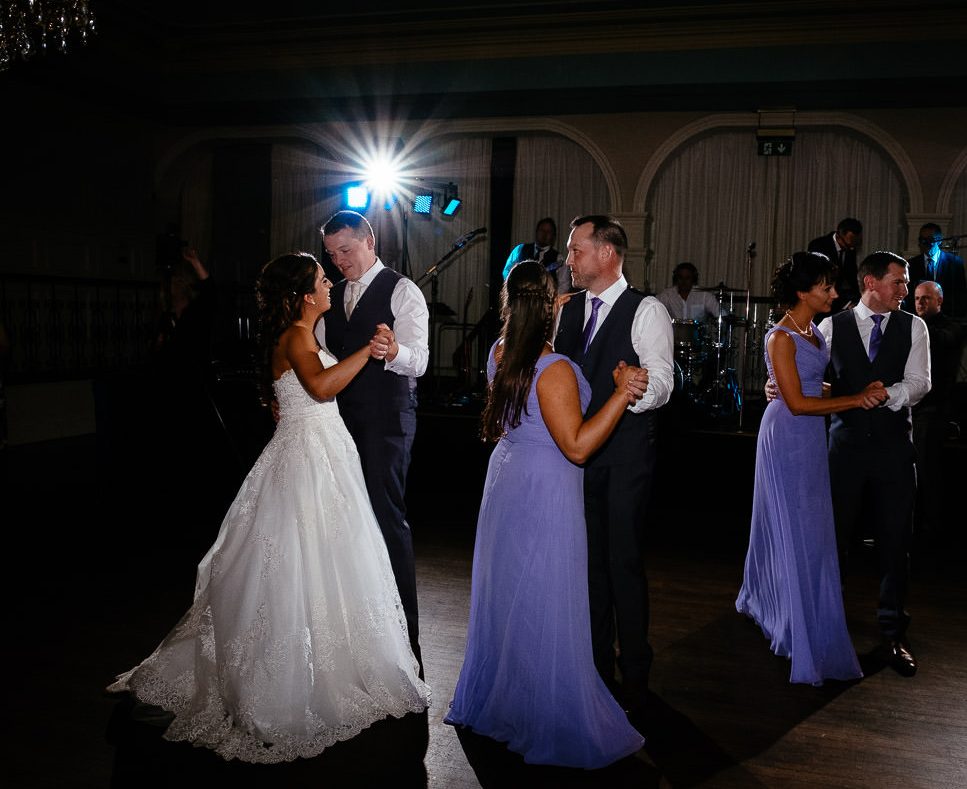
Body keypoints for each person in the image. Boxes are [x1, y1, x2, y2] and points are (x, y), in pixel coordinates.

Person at [108, 253, 431, 763]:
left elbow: (294, 394)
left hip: (323, 451)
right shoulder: (299, 337)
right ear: (305, 295)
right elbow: (321, 388)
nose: (330, 284)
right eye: (323, 280)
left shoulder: (305, 335)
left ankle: (337, 657)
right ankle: (288, 676)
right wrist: (369, 353)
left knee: (330, 557)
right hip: (306, 459)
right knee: (297, 559)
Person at [445, 261, 647, 768]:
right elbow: (577, 447)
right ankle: (544, 710)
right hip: (545, 486)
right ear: (549, 304)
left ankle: (507, 697)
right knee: (545, 593)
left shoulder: (499, 354)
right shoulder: (552, 369)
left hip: (508, 476)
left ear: (508, 302)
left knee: (513, 594)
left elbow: (508, 420)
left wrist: (542, 309)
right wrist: (621, 394)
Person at [737, 253, 887, 685]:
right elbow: (798, 404)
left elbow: (808, 386)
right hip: (786, 435)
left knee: (811, 529)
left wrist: (849, 391)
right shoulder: (779, 337)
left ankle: (795, 609)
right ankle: (784, 616)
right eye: (826, 287)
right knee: (790, 527)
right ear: (803, 292)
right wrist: (856, 400)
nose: (835, 294)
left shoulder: (813, 331)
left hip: (809, 437)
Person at [554, 214, 673, 714]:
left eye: (576, 250)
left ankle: (636, 673)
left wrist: (636, 389)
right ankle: (595, 663)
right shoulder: (566, 310)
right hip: (571, 457)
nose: (568, 260)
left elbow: (665, 383)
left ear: (606, 253)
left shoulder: (646, 310)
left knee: (621, 561)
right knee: (585, 565)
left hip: (624, 456)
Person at [317, 210, 429, 665]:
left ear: (370, 240)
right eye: (331, 255)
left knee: (386, 521)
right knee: (346, 525)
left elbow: (419, 359)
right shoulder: (330, 296)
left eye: (345, 250)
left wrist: (394, 350)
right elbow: (321, 356)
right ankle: (356, 634)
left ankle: (406, 641)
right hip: (338, 425)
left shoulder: (402, 290)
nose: (339, 262)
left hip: (386, 422)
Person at [820, 251, 931, 677]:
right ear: (871, 283)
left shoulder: (913, 326)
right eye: (898, 282)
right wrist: (781, 385)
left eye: (905, 284)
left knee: (894, 542)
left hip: (893, 450)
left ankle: (892, 633)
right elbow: (812, 374)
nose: (906, 291)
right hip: (843, 448)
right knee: (835, 539)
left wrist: (888, 395)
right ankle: (827, 626)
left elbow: (921, 382)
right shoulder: (833, 326)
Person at [911, 280, 964, 548]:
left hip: (932, 411)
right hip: (913, 409)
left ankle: (930, 532)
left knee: (927, 472)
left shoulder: (949, 327)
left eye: (926, 299)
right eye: (917, 298)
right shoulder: (914, 325)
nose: (920, 303)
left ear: (939, 301)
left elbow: (942, 341)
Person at [906, 223, 967, 317]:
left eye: (930, 239)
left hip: (945, 318)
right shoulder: (912, 265)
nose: (926, 243)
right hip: (919, 317)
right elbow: (909, 296)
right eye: (922, 240)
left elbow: (960, 295)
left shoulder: (955, 263)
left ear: (939, 241)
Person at [502, 217, 571, 295]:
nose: (544, 234)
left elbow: (564, 284)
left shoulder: (559, 258)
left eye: (548, 232)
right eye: (542, 230)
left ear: (553, 236)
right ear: (536, 232)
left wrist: (553, 300)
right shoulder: (520, 249)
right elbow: (507, 271)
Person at [807, 217, 863, 308]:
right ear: (838, 236)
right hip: (823, 300)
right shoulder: (818, 246)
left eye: (855, 245)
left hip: (841, 297)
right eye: (849, 245)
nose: (852, 249)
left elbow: (852, 276)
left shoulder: (850, 246)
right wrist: (847, 304)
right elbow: (820, 283)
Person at [655, 262, 724, 321]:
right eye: (680, 278)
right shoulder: (667, 295)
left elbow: (721, 315)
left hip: (697, 335)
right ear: (676, 279)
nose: (683, 282)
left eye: (687, 278)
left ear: (693, 279)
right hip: (673, 335)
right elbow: (652, 307)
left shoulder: (704, 296)